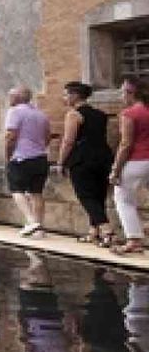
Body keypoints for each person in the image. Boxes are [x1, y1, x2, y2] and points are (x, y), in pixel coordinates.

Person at [58, 82, 115, 247]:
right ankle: (93, 231)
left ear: (75, 95)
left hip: (83, 158)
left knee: (86, 195)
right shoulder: (101, 115)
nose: (64, 98)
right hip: (103, 157)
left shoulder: (73, 115)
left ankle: (107, 230)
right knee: (98, 195)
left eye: (66, 95)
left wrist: (61, 162)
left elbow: (68, 141)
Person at [4, 87, 51, 236]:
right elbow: (47, 137)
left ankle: (31, 221)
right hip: (40, 157)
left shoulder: (14, 112)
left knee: (16, 189)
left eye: (11, 96)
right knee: (37, 192)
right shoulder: (40, 114)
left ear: (18, 98)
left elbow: (11, 136)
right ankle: (39, 227)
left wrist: (8, 155)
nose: (9, 99)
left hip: (21, 157)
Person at [110, 76, 149, 254]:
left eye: (122, 92)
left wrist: (115, 170)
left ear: (130, 92)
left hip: (136, 160)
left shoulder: (130, 113)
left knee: (123, 199)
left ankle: (134, 240)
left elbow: (126, 144)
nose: (121, 96)